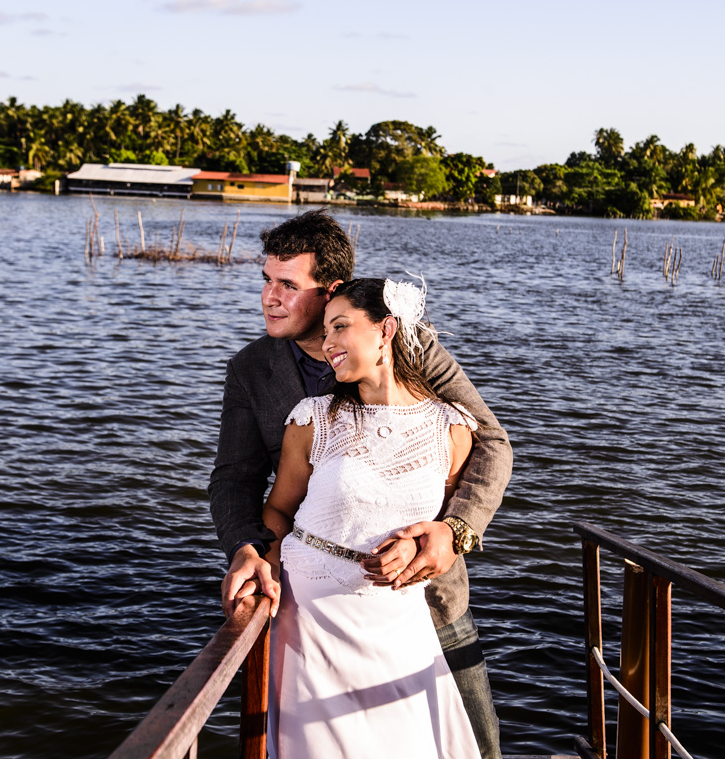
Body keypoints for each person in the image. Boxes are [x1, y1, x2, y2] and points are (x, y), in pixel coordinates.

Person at [208, 209, 511, 759]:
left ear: (332, 292)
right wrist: (246, 549)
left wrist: (454, 530)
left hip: (425, 595)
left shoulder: (409, 346)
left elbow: (490, 443)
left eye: (288, 285)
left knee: (475, 744)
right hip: (312, 610)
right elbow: (234, 479)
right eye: (266, 281)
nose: (269, 298)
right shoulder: (251, 369)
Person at [262, 277, 481, 758]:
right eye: (324, 332)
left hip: (399, 627)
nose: (328, 343)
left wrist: (433, 540)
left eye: (340, 327)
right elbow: (277, 509)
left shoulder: (452, 427)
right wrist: (261, 564)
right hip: (309, 627)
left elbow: (442, 526)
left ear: (385, 330)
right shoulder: (314, 418)